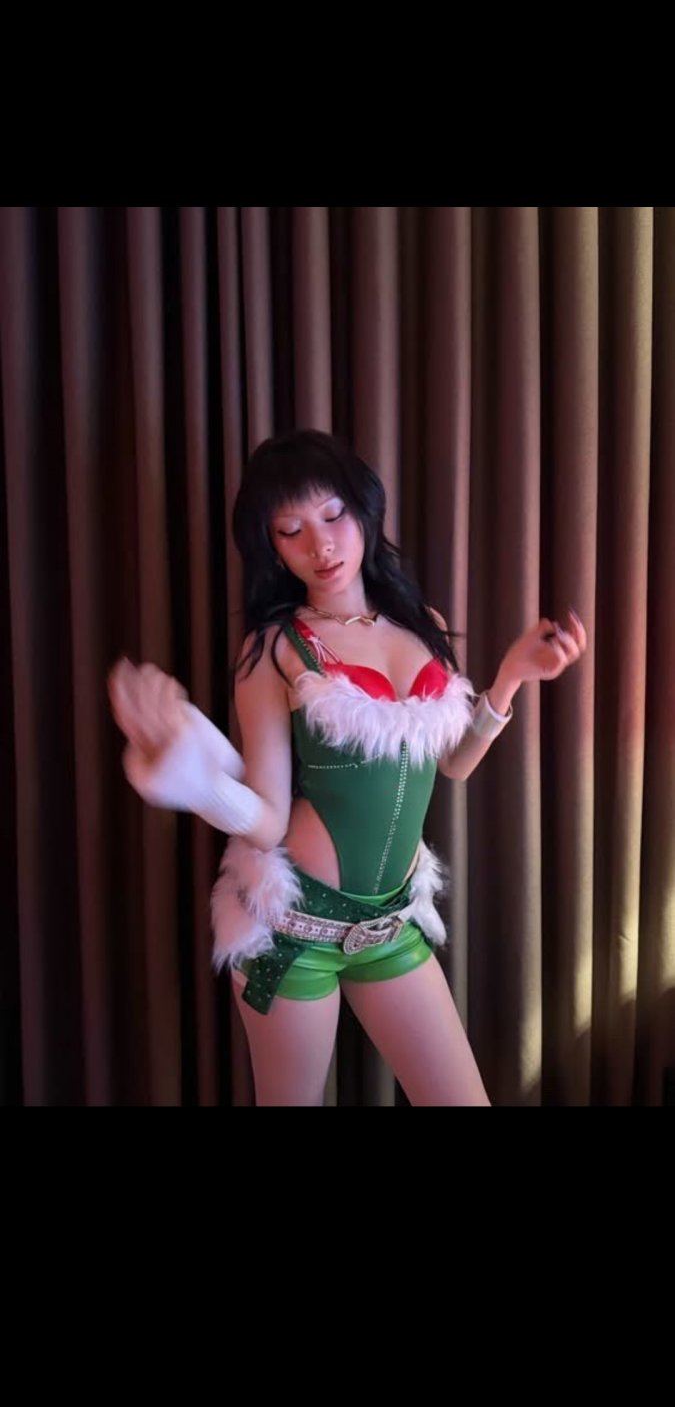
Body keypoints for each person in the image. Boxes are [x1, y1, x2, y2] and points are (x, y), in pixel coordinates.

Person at [108, 429, 586, 1106]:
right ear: (272, 546)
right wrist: (190, 773)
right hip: (292, 933)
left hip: (392, 928)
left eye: (332, 515)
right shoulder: (273, 648)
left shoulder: (420, 623)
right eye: (291, 530)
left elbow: (452, 764)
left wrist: (509, 678)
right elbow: (265, 820)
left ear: (363, 510)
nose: (321, 544)